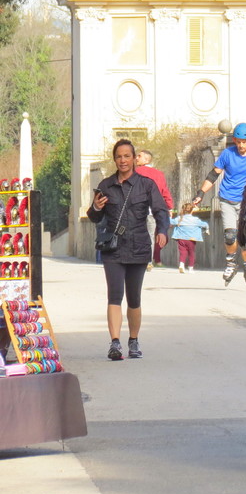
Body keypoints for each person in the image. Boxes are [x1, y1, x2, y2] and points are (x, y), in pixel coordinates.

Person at [87, 139, 169, 361]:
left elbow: (161, 210)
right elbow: (94, 217)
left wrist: (162, 230)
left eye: (127, 156)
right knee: (114, 295)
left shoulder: (146, 184)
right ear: (114, 160)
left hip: (139, 246)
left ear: (134, 159)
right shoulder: (105, 185)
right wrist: (95, 207)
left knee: (134, 298)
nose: (123, 160)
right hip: (113, 249)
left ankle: (133, 341)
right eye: (119, 156)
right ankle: (115, 343)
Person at [191, 122, 246, 291]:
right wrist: (200, 194)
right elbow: (213, 175)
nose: (241, 145)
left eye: (244, 142)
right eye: (238, 141)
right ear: (234, 140)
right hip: (227, 200)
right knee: (230, 235)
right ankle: (231, 263)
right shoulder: (227, 154)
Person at [135, 149, 174, 270]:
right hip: (152, 210)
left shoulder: (133, 172)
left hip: (135, 210)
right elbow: (164, 191)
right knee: (150, 235)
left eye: (139, 156)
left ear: (146, 159)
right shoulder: (158, 174)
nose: (136, 158)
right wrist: (170, 207)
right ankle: (148, 261)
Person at [170, 202, 209, 273]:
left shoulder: (180, 218)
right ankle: (191, 268)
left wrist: (169, 215)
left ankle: (181, 265)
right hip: (191, 239)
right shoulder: (195, 220)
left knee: (182, 252)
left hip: (181, 238)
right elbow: (204, 224)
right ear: (192, 210)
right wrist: (207, 228)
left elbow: (171, 222)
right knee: (191, 253)